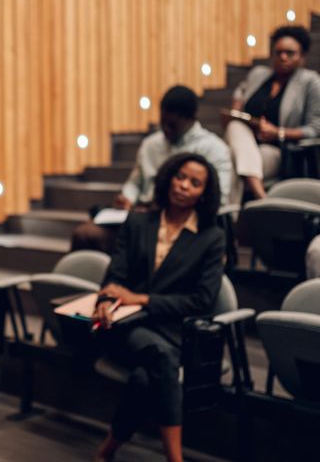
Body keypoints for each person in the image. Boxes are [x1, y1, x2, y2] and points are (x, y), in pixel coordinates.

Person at [92, 152, 224, 462]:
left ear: (204, 193)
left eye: (194, 183)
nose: (183, 186)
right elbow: (115, 277)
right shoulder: (138, 222)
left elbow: (202, 300)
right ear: (168, 178)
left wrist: (144, 299)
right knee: (161, 357)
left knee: (144, 378)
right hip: (130, 327)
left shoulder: (212, 237)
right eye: (180, 177)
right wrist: (105, 301)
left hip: (175, 330)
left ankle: (108, 450)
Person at [71, 85, 232, 253]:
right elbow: (135, 182)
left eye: (171, 125)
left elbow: (218, 198)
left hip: (178, 220)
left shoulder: (214, 149)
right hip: (141, 216)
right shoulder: (151, 144)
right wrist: (127, 198)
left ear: (189, 119)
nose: (165, 130)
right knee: (84, 234)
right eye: (163, 123)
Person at [225, 25, 320, 199]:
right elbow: (241, 89)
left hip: (277, 150)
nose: (283, 57)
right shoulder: (258, 74)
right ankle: (261, 197)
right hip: (246, 140)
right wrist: (237, 107)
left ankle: (232, 216)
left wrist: (278, 133)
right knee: (235, 126)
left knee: (230, 163)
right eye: (278, 52)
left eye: (289, 53)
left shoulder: (310, 82)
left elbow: (315, 128)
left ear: (302, 56)